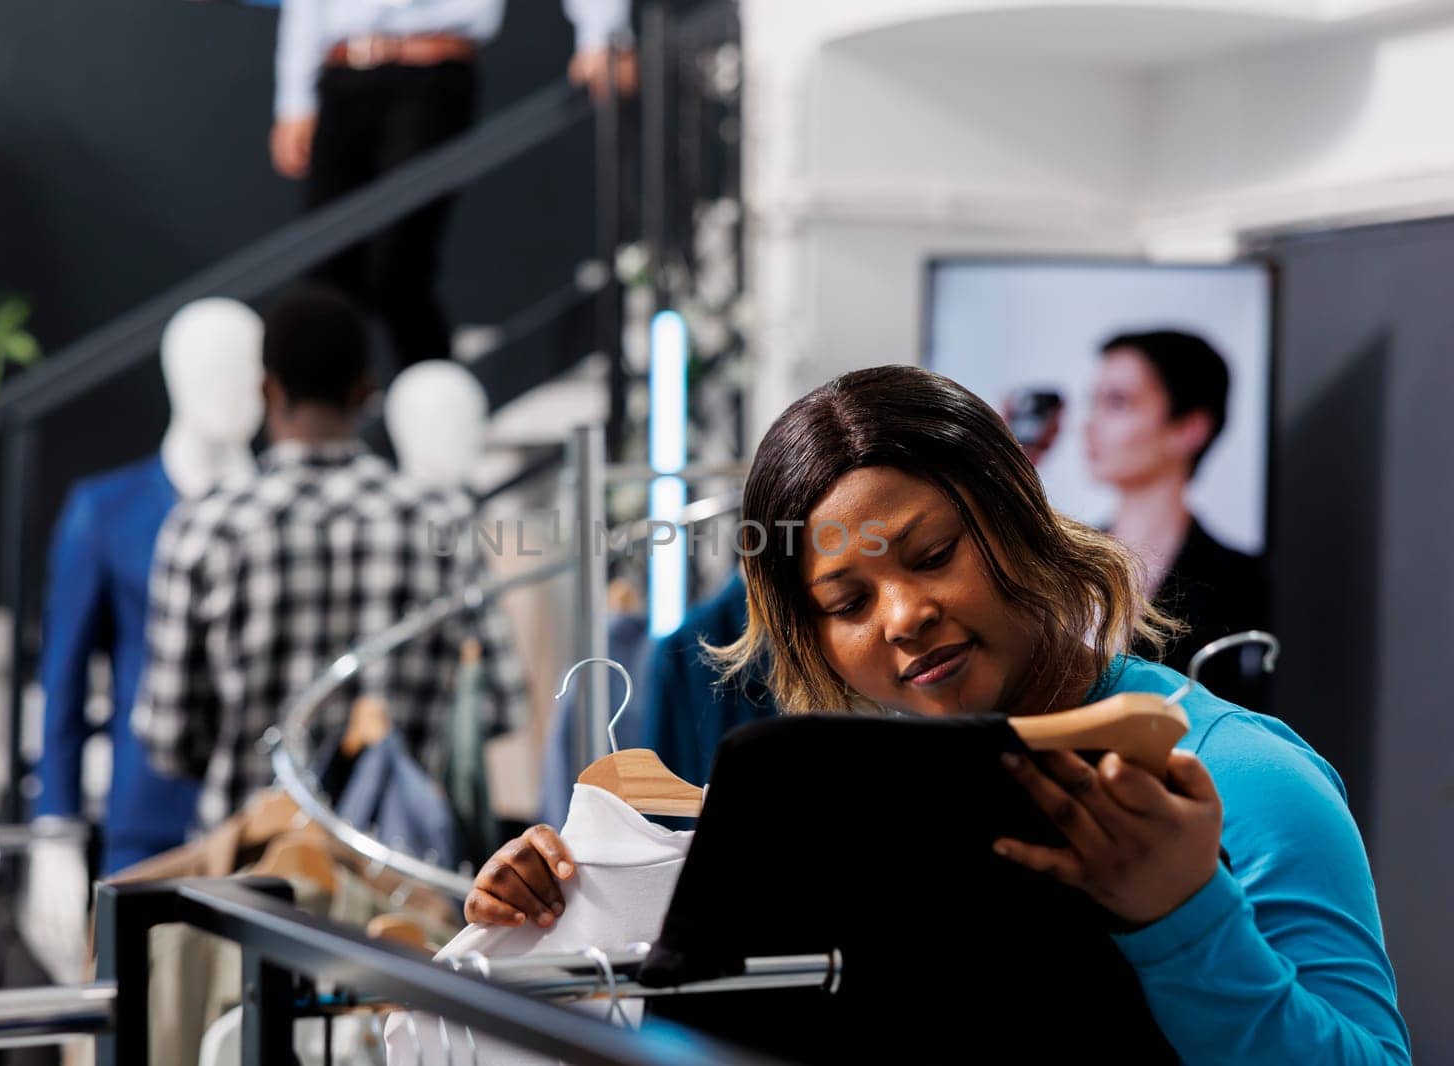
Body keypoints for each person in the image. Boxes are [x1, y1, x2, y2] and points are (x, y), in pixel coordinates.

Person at [466, 366, 1410, 1064]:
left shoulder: (1243, 780)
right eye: (846, 604)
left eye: (930, 554)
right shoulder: (844, 809)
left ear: (1020, 522)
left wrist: (1187, 916)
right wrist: (554, 907)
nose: (904, 617)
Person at [133, 283, 527, 829]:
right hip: (400, 868)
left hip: (251, 861)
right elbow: (500, 706)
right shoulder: (444, 522)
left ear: (268, 389)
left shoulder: (204, 526)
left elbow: (169, 736)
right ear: (366, 393)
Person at [270, 0, 636, 368]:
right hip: (340, 73)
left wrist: (604, 37)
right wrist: (294, 100)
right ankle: (325, 419)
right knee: (327, 277)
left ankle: (435, 412)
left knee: (398, 270)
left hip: (433, 69)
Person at [1084, 330, 1267, 687]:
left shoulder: (1243, 582)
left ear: (1189, 427)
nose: (1090, 424)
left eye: (1118, 403)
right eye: (1094, 402)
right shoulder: (1058, 563)